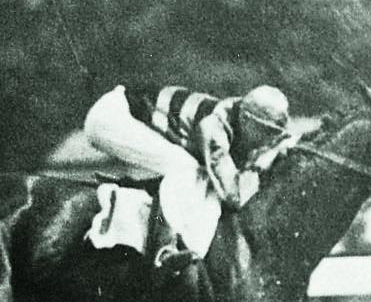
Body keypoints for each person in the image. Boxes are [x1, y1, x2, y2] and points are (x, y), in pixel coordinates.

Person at [81, 82, 292, 270]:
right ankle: (163, 248)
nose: (269, 139)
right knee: (187, 167)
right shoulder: (213, 126)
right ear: (246, 119)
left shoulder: (241, 115)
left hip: (131, 112)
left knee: (194, 173)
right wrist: (259, 165)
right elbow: (232, 195)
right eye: (266, 131)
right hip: (111, 117)